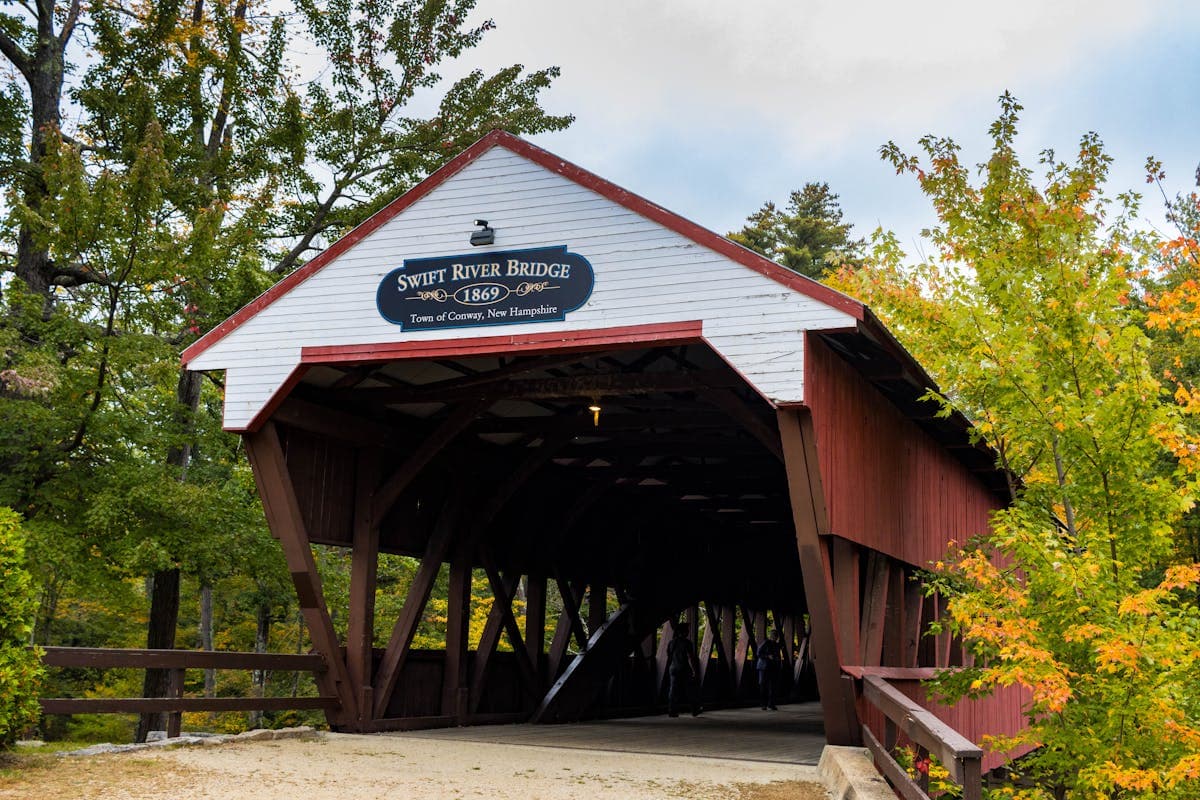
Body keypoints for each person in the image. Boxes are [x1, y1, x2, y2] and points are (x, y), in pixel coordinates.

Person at [666, 621, 700, 717]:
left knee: (673, 690)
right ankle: (695, 710)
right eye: (687, 630)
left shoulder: (671, 643)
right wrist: (694, 670)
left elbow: (669, 656)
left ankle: (672, 711)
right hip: (684, 668)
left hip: (673, 668)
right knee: (690, 689)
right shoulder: (687, 643)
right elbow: (690, 657)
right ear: (684, 632)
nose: (688, 632)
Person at [756, 628, 783, 710]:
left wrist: (778, 660)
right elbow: (758, 653)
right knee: (763, 686)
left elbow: (777, 655)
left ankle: (771, 704)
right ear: (771, 636)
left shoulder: (777, 645)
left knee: (773, 687)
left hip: (773, 667)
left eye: (776, 636)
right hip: (764, 667)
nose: (776, 638)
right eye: (775, 636)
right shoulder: (766, 643)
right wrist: (767, 656)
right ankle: (763, 704)